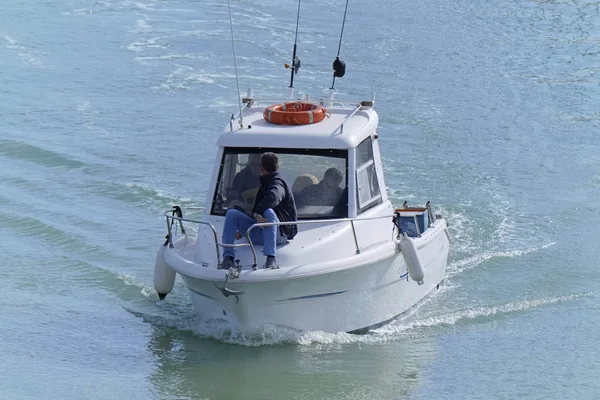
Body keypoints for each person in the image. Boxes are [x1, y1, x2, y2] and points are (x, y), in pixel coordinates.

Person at [220, 152, 297, 270]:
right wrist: (243, 226)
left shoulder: (277, 182)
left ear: (261, 168)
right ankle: (228, 258)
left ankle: (271, 259)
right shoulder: (263, 182)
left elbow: (274, 197)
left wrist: (258, 213)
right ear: (278, 166)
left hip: (280, 234)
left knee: (269, 212)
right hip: (260, 230)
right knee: (231, 213)